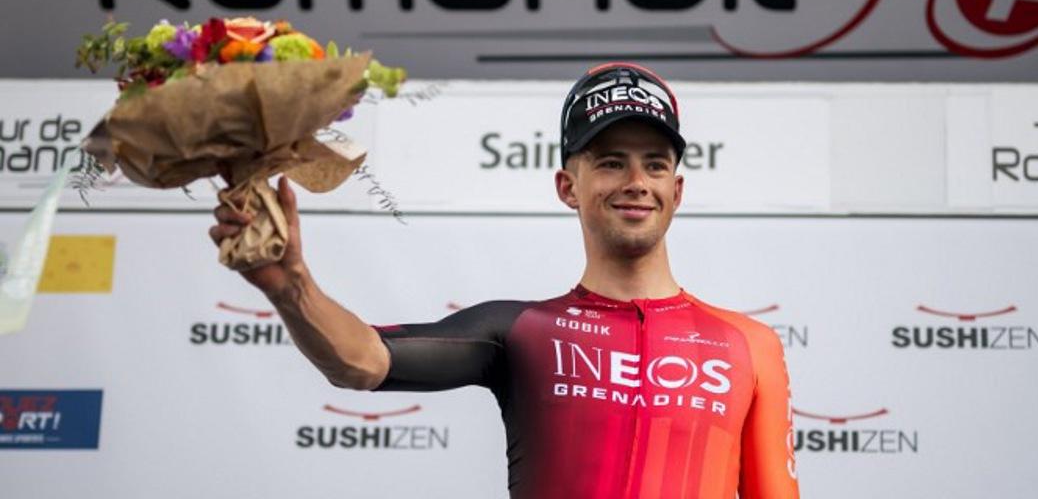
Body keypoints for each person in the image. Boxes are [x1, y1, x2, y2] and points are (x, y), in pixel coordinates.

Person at [210, 62, 799, 498]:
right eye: (610, 161)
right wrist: (291, 286)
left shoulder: (749, 345)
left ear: (678, 189)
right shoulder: (521, 332)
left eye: (655, 164)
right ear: (568, 186)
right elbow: (361, 361)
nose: (636, 181)